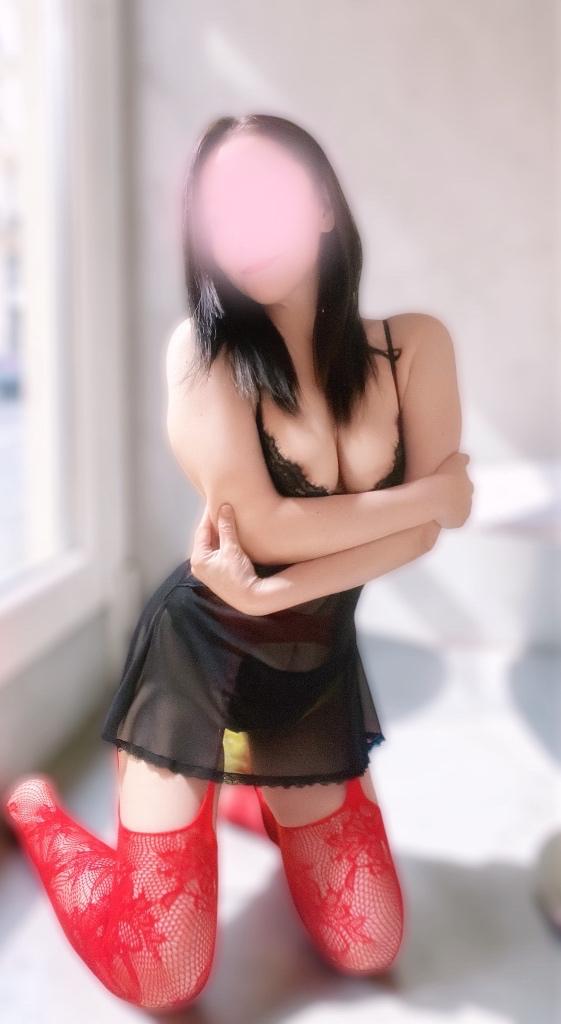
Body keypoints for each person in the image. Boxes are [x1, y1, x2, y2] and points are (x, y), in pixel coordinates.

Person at [1, 113, 473, 1009]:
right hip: (198, 659)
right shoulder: (202, 354)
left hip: (309, 668)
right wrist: (434, 495)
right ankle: (36, 811)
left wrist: (277, 593)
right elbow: (265, 524)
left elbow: (410, 544)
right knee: (164, 974)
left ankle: (244, 791)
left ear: (324, 206)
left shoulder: (414, 345)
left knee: (369, 943)